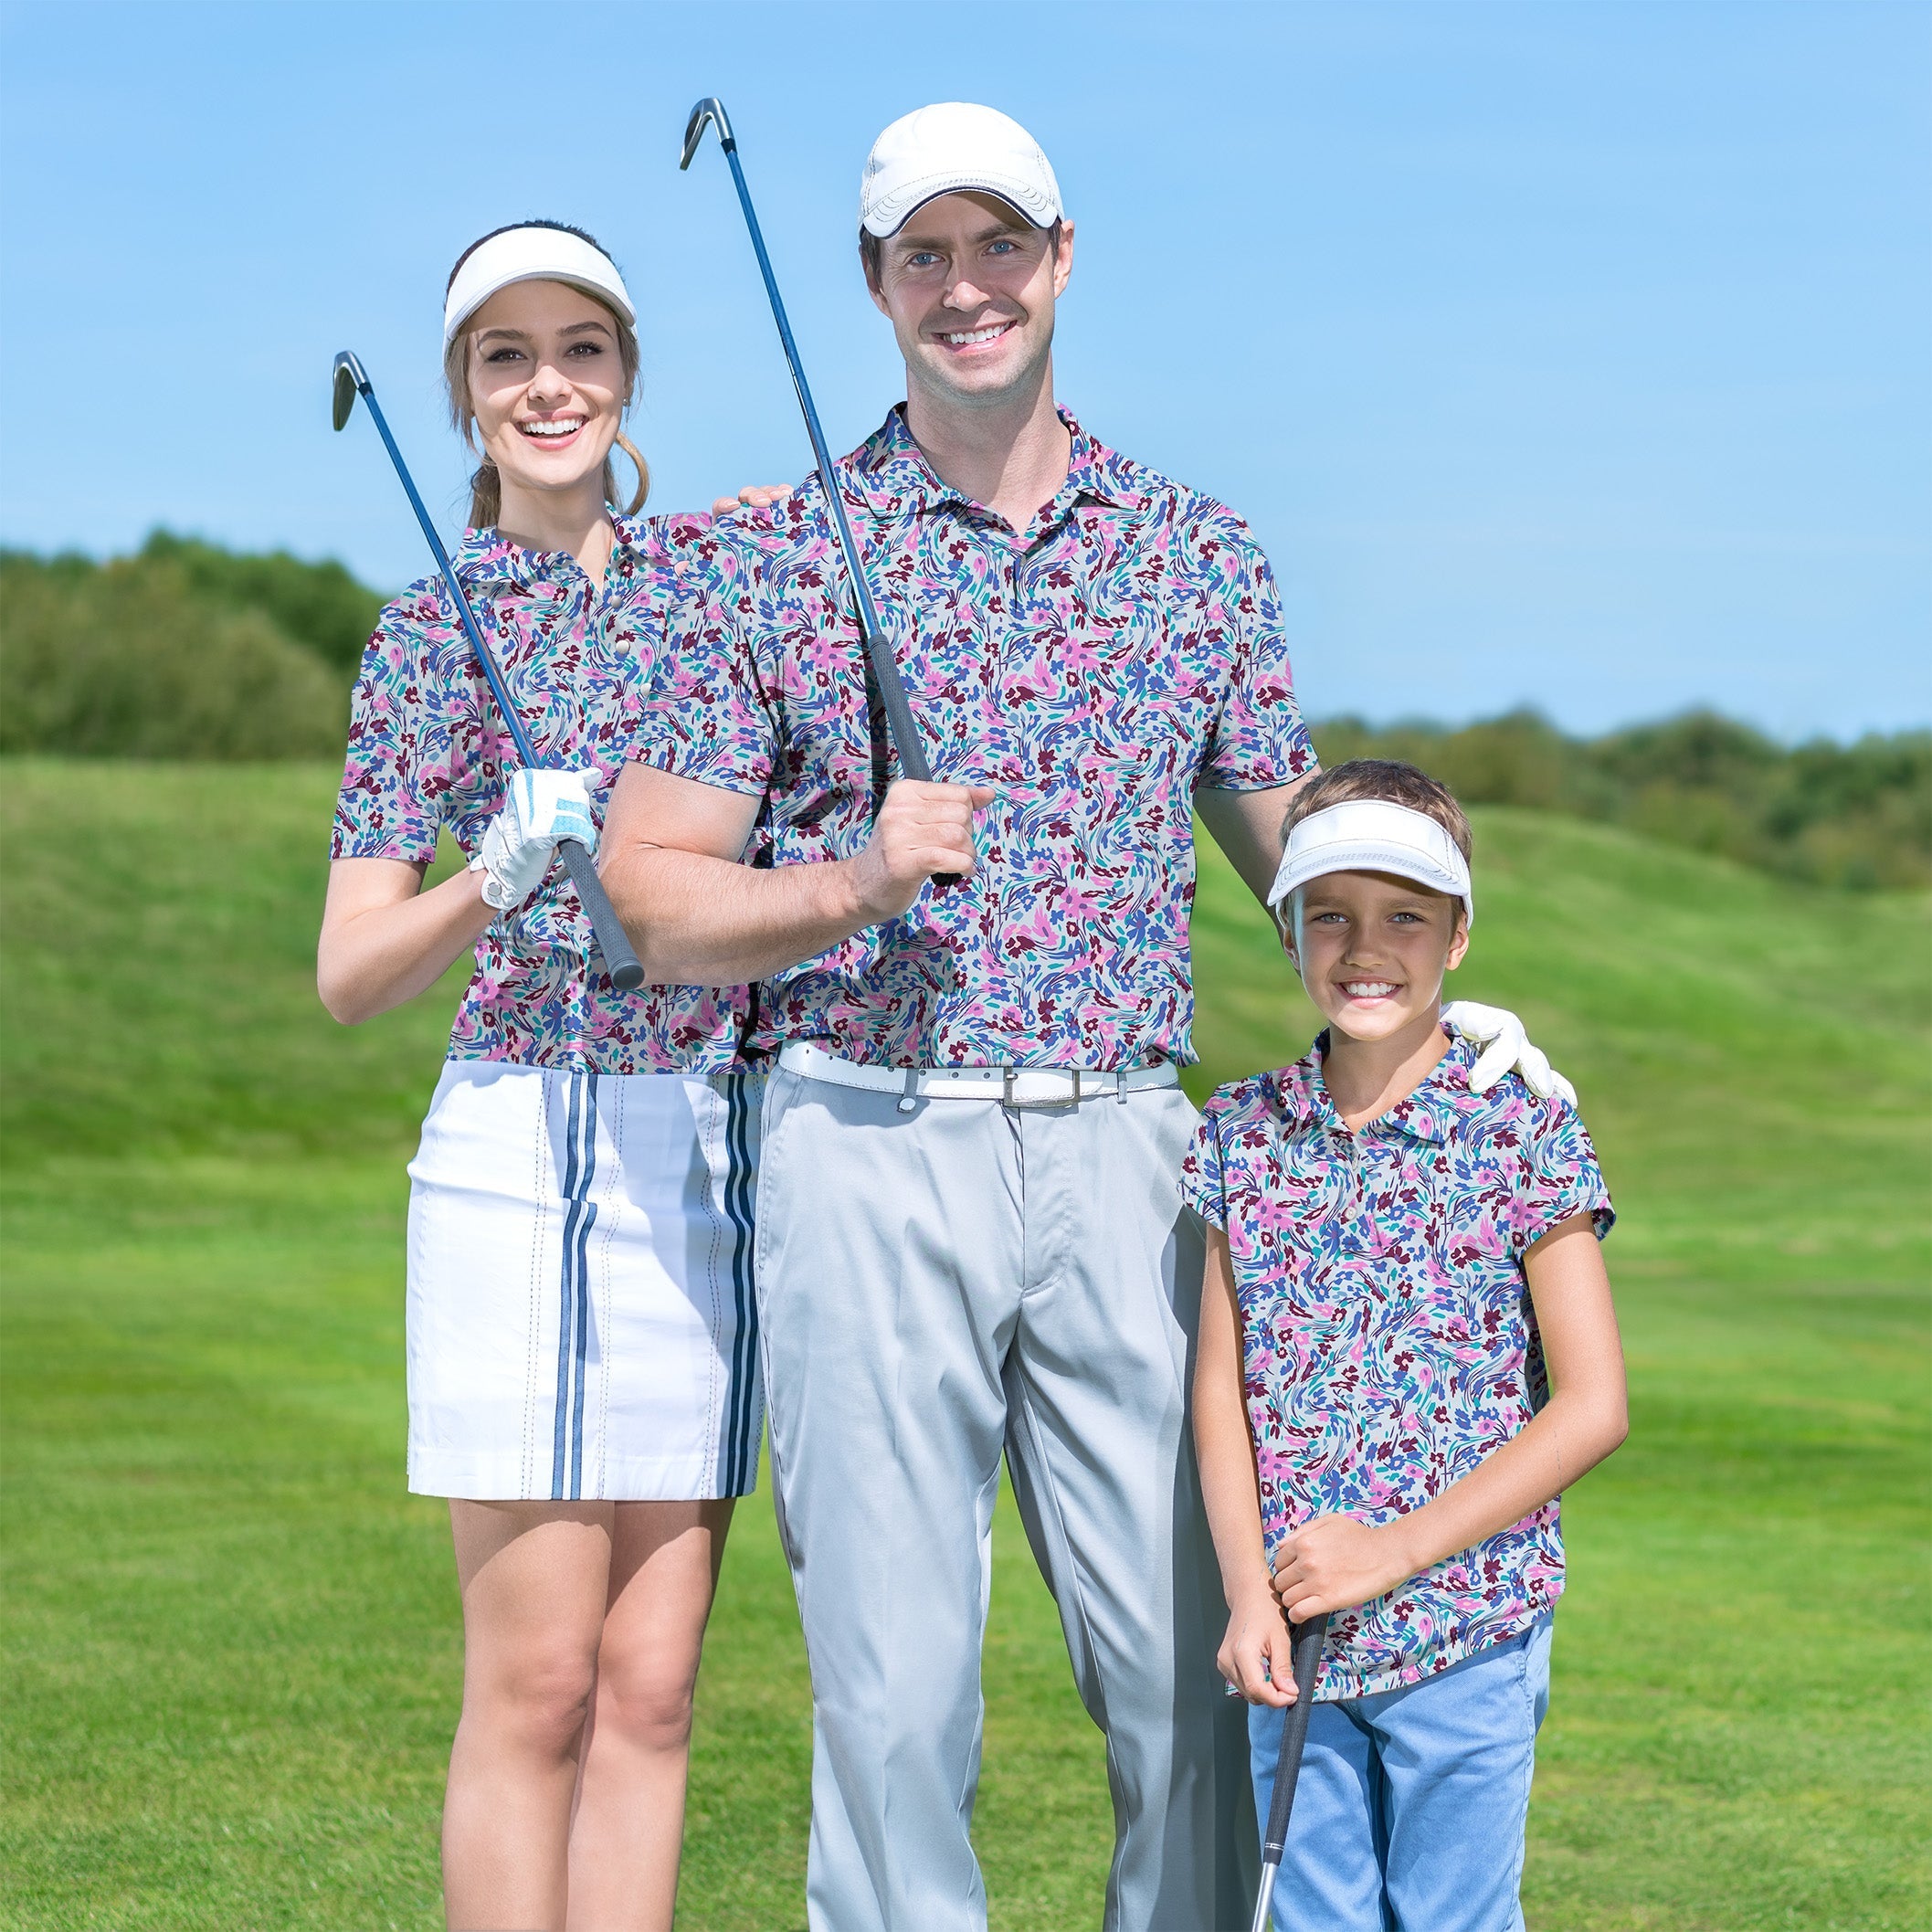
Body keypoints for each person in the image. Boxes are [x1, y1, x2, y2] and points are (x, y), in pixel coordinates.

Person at [600, 105, 1564, 1931]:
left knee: (1200, 1667)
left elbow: (1295, 848)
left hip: (1134, 1153)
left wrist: (1440, 982)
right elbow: (649, 892)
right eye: (924, 255)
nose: (967, 288)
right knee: (894, 1700)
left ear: (1060, 257)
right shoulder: (769, 552)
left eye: (999, 246)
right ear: (875, 284)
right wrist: (842, 887)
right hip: (862, 1134)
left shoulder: (1197, 551)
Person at [318, 221, 772, 1932]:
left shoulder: (720, 603)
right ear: (463, 393)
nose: (548, 383)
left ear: (628, 373)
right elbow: (352, 974)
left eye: (580, 347)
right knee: (538, 1688)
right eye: (506, 356)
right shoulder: (425, 633)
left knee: (652, 1689)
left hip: (694, 1160)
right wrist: (486, 877)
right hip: (515, 1146)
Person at [1185, 759, 1630, 1932]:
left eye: (1404, 917)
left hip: (1468, 1619)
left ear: (1458, 937)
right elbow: (1218, 1397)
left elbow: (1592, 1405)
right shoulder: (1241, 1131)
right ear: (1287, 928)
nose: (1363, 946)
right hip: (1295, 1631)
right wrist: (1245, 1596)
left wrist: (1392, 1552)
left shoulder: (1518, 1123)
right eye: (1329, 913)